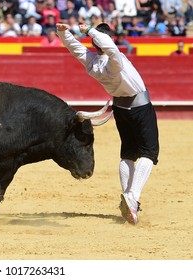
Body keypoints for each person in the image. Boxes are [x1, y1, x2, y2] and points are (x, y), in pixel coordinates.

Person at [56, 22, 159, 225]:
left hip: (120, 109)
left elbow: (74, 48)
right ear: (107, 39)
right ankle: (132, 196)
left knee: (128, 153)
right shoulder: (115, 61)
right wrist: (90, 31)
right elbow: (110, 48)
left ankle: (129, 199)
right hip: (140, 107)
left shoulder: (93, 63)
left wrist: (62, 32)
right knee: (149, 152)